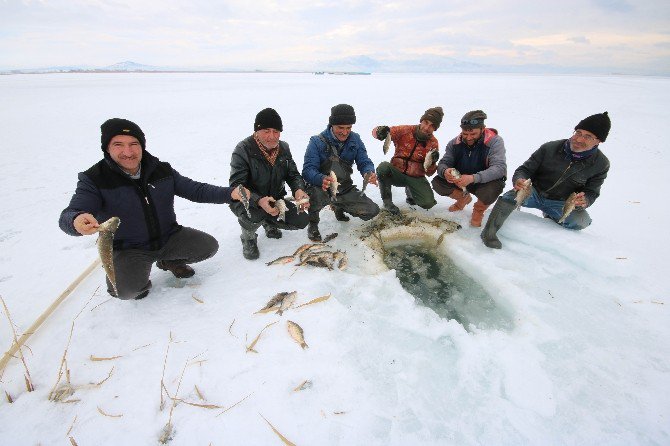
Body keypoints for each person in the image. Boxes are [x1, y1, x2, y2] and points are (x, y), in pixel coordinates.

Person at [59, 118, 246, 300]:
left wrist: (231, 193)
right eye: (118, 144)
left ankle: (169, 261)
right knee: (124, 291)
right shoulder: (94, 179)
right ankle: (138, 281)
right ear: (107, 148)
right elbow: (71, 212)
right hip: (129, 249)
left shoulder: (161, 170)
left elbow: (195, 190)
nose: (128, 151)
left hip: (168, 237)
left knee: (208, 246)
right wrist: (76, 220)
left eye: (134, 144)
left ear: (142, 146)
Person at [481, 111, 611, 249]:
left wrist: (585, 200)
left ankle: (550, 217)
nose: (579, 139)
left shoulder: (601, 164)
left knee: (581, 221)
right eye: (578, 132)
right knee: (509, 197)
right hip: (533, 192)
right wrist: (520, 179)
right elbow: (524, 169)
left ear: (598, 141)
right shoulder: (550, 148)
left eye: (587, 136)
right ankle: (488, 234)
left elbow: (592, 192)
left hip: (561, 202)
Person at [229, 108, 310, 259]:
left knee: (302, 220)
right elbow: (236, 186)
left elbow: (293, 174)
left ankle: (269, 223)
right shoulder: (242, 150)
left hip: (274, 199)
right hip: (249, 202)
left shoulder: (284, 148)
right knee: (254, 214)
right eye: (266, 131)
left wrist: (298, 189)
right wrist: (258, 200)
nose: (271, 136)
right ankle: (248, 237)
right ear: (257, 131)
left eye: (276, 131)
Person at [302, 104, 380, 241]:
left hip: (344, 187)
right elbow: (308, 171)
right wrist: (321, 179)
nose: (345, 132)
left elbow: (364, 160)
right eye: (340, 128)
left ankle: (338, 206)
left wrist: (368, 172)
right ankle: (313, 224)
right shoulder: (316, 142)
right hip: (321, 187)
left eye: (348, 128)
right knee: (314, 196)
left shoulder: (355, 139)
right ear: (332, 124)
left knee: (372, 211)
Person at [432, 110, 506, 227]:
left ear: (482, 129)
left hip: (483, 182)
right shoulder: (454, 143)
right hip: (460, 181)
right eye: (465, 134)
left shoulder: (495, 141)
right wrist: (445, 171)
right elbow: (444, 163)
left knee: (493, 188)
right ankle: (463, 199)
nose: (469, 137)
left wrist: (473, 178)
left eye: (473, 134)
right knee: (437, 182)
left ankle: (478, 210)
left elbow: (499, 168)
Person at [372, 107, 443, 214]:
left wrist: (432, 162)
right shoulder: (405, 130)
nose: (427, 127)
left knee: (428, 203)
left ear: (435, 128)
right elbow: (376, 132)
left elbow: (429, 173)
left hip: (416, 177)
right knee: (383, 167)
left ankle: (411, 193)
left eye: (432, 125)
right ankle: (387, 202)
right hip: (397, 173)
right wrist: (380, 131)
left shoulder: (433, 143)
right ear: (421, 120)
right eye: (426, 122)